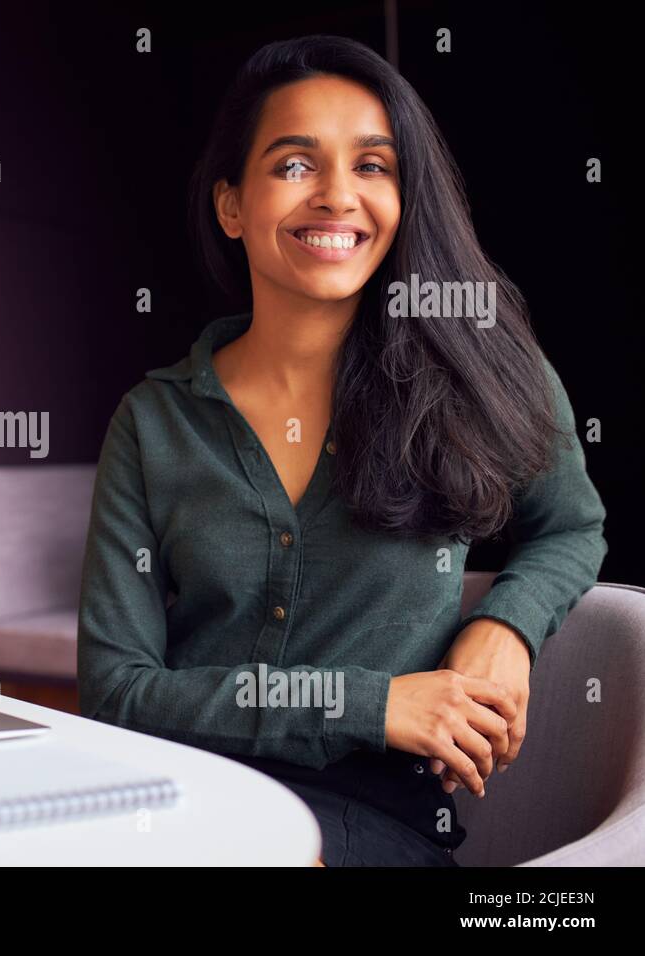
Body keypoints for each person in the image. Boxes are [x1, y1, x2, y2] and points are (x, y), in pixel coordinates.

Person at [75, 35, 608, 866]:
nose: (336, 197)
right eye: (294, 165)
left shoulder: (479, 371)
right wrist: (367, 703)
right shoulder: (153, 423)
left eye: (372, 166)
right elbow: (116, 692)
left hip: (370, 818)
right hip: (176, 800)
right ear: (231, 205)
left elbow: (571, 526)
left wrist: (506, 626)